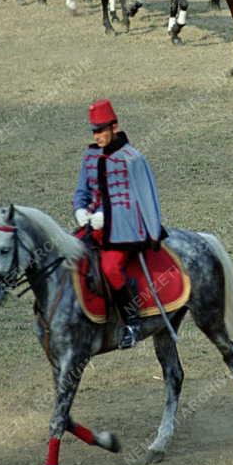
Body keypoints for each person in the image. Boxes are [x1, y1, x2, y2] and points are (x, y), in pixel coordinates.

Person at [73, 99, 164, 349]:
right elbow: (82, 189)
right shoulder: (90, 155)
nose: (97, 135)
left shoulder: (131, 158)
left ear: (114, 127)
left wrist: (106, 215)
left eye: (101, 130)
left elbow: (136, 198)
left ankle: (132, 322)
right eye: (94, 131)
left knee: (111, 268)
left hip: (125, 230)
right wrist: (79, 209)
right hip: (92, 226)